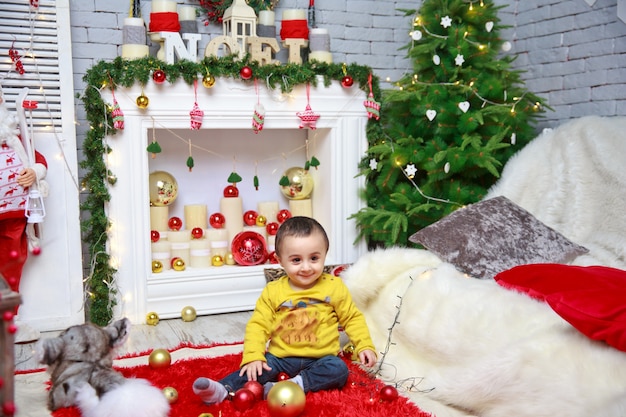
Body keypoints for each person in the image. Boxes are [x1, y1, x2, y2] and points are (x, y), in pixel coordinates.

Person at [193, 216, 377, 404]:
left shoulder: (334, 287)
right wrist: (253, 356)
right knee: (256, 369)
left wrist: (364, 345)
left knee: (339, 370)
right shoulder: (274, 291)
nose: (306, 267)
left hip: (321, 358)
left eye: (314, 258)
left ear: (324, 254)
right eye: (296, 260)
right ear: (280, 260)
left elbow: (352, 318)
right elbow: (258, 325)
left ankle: (295, 384)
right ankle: (223, 389)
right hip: (280, 357)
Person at [0, 91, 48, 343]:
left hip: (16, 214)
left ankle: (10, 318)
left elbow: (38, 160)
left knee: (12, 266)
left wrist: (34, 171)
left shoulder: (15, 138)